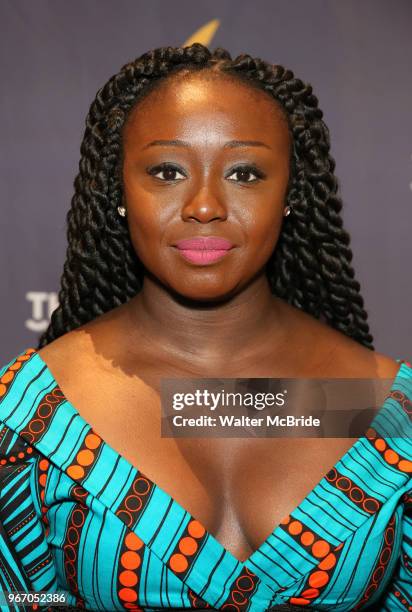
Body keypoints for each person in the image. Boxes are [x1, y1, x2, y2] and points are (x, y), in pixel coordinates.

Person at [0, 43, 411, 611]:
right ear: (118, 189)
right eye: (167, 171)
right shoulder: (32, 414)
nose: (204, 205)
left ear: (290, 193)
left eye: (245, 173)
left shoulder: (384, 405)